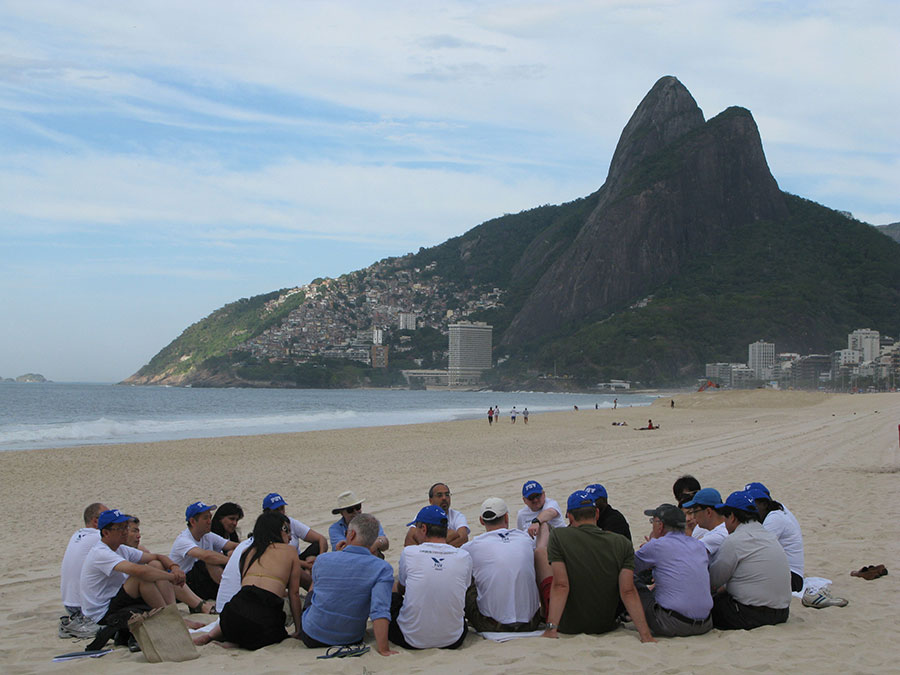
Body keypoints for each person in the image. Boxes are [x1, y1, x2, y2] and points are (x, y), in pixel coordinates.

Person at [537, 491, 654, 641]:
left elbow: (561, 585)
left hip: (569, 625)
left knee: (540, 554)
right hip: (605, 624)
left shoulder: (559, 536)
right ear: (597, 513)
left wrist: (551, 629)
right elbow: (628, 591)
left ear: (570, 516)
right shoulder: (622, 543)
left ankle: (544, 617)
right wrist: (645, 635)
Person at [193, 511, 302, 650]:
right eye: (287, 530)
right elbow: (294, 594)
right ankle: (234, 642)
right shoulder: (290, 551)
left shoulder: (248, 551)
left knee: (243, 611)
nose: (290, 537)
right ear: (277, 530)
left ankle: (211, 636)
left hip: (232, 614)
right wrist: (299, 629)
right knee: (268, 628)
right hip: (262, 619)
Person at [300, 513, 396, 655]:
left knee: (316, 588)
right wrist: (383, 649)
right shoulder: (382, 568)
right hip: (351, 637)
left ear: (350, 535)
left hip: (312, 635)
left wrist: (339, 554)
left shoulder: (323, 560)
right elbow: (379, 610)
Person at [80, 509, 186, 627]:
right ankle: (170, 618)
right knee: (140, 578)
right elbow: (139, 571)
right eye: (120, 528)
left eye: (126, 527)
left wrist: (174, 567)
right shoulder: (100, 552)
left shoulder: (121, 548)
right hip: (101, 613)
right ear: (106, 533)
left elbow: (157, 556)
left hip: (116, 600)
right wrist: (172, 576)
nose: (125, 532)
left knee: (155, 564)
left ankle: (172, 612)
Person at [390, 506, 472, 649]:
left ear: (424, 529)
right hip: (454, 638)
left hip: (410, 638)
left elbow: (402, 587)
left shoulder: (410, 553)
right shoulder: (463, 556)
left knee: (392, 586)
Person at [709, 491, 791, 630]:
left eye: (725, 518)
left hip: (749, 614)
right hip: (782, 613)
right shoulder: (769, 536)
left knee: (707, 605)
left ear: (733, 517)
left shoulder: (735, 540)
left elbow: (713, 580)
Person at [461, 498, 541, 632]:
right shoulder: (525, 539)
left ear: (482, 521)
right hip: (531, 622)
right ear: (506, 517)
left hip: (494, 626)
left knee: (466, 574)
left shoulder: (472, 546)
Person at [634, 504, 713, 637]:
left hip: (672, 623)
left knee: (630, 579)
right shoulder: (699, 545)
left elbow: (630, 567)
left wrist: (652, 543)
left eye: (653, 521)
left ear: (660, 525)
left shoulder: (657, 545)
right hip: (705, 623)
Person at [130, 515, 215, 614]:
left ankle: (198, 605)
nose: (139, 535)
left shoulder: (138, 550)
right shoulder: (184, 539)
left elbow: (159, 556)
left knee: (158, 566)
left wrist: (174, 568)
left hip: (160, 589)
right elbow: (206, 556)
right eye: (134, 531)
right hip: (126, 597)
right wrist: (170, 576)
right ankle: (179, 611)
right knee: (156, 570)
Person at [170, 501, 238, 600]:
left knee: (230, 552)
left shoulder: (207, 535)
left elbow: (231, 545)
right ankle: (229, 591)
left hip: (201, 582)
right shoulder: (183, 540)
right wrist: (232, 560)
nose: (210, 521)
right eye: (205, 518)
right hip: (183, 584)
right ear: (193, 521)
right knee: (209, 560)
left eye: (210, 517)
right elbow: (206, 556)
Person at [745, 483, 804, 592]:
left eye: (753, 505)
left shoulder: (775, 518)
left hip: (792, 577)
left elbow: (757, 548)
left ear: (764, 504)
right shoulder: (778, 512)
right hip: (788, 573)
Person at [59, 502, 106, 638]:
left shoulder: (78, 535)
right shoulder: (98, 537)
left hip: (70, 605)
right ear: (96, 521)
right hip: (83, 607)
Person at [262, 493, 329, 566]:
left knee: (317, 546)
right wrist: (306, 565)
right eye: (276, 510)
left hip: (297, 561)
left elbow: (321, 539)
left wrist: (320, 559)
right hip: (280, 565)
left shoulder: (290, 522)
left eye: (282, 508)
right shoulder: (264, 529)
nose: (281, 512)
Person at [404, 483, 469, 547]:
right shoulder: (423, 515)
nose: (444, 498)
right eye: (439, 495)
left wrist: (435, 549)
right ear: (430, 500)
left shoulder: (457, 516)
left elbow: (463, 538)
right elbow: (409, 540)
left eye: (447, 495)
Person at [328, 490, 389, 556]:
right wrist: (374, 545)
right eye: (350, 510)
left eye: (357, 507)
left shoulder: (371, 521)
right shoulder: (335, 529)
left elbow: (385, 544)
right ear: (342, 513)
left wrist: (377, 543)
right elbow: (342, 549)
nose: (355, 512)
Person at [682, 488, 729, 560]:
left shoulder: (718, 535)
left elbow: (684, 553)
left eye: (695, 511)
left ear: (708, 512)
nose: (694, 516)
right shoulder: (725, 528)